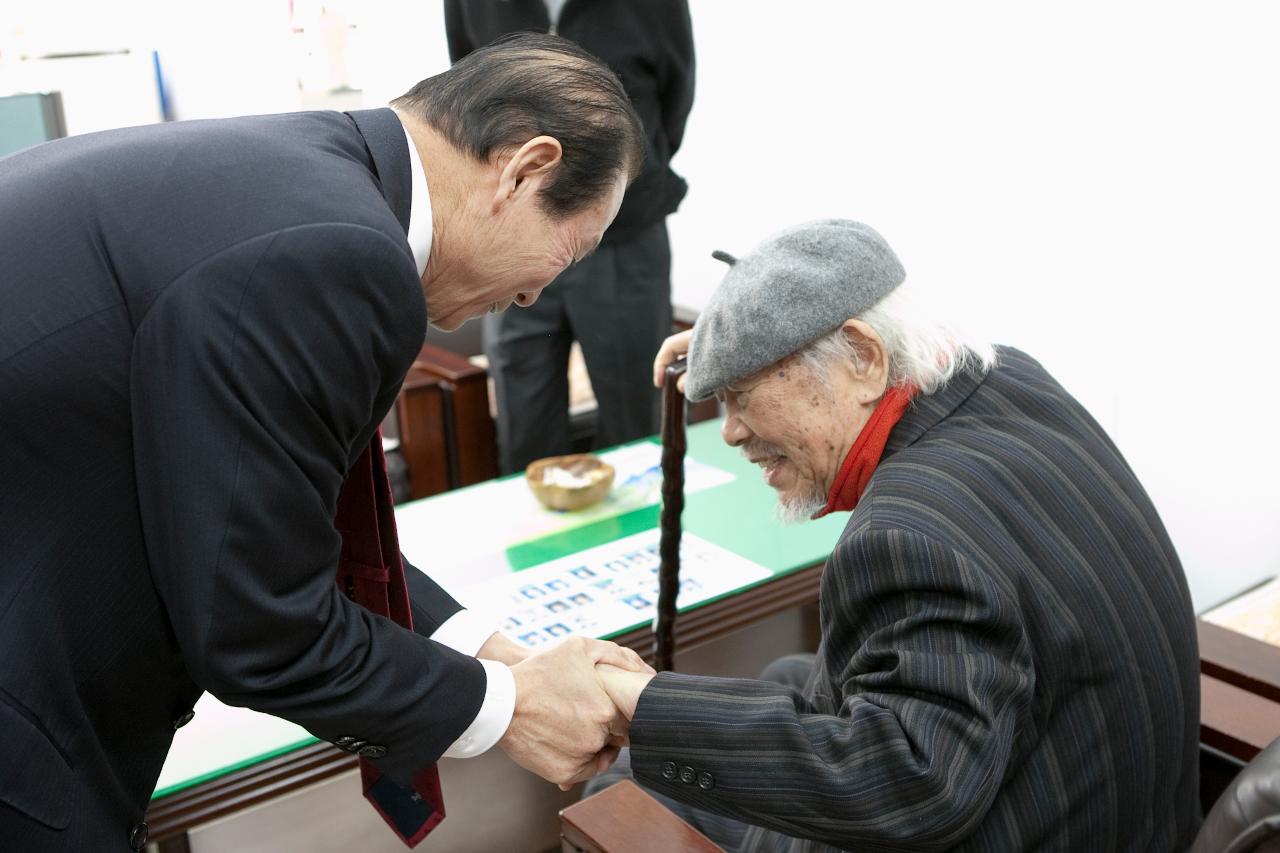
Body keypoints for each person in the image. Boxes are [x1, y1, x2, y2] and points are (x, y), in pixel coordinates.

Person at [0, 34, 650, 851]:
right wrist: (511, 709)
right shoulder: (332, 250)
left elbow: (292, 524)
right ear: (525, 170)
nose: (536, 293)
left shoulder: (304, 179)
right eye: (571, 252)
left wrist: (502, 659)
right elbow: (260, 626)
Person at [591, 220, 1202, 851]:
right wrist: (736, 349)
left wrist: (644, 704)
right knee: (783, 671)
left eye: (742, 394)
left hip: (1017, 820)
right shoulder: (1011, 381)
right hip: (1118, 799)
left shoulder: (910, 538)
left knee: (624, 783)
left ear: (863, 355)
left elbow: (910, 791)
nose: (732, 431)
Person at [445, 0, 696, 473]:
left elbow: (675, 96)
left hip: (625, 236)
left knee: (634, 429)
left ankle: (643, 543)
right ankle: (538, 543)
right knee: (524, 426)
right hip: (509, 233)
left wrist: (623, 181)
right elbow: (466, 86)